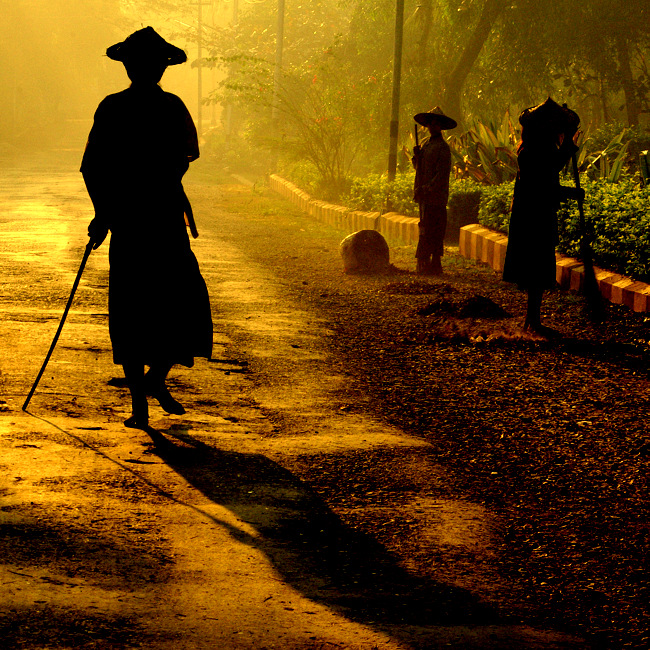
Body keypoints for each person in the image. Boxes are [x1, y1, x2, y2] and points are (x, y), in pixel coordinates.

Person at [81, 27, 213, 429]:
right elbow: (181, 161)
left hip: (134, 220)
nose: (151, 70)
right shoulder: (168, 106)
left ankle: (150, 386)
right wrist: (106, 212)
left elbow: (93, 169)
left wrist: (103, 212)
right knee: (167, 304)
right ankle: (144, 399)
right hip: (152, 219)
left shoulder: (114, 107)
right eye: (148, 64)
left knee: (145, 307)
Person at [502, 97, 582, 337]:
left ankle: (532, 318)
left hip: (537, 213)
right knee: (536, 267)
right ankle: (532, 318)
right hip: (532, 215)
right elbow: (544, 180)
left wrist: (567, 144)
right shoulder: (530, 152)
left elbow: (550, 173)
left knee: (538, 267)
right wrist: (568, 148)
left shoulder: (540, 149)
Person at [412, 107, 457, 275]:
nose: (433, 126)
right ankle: (425, 263)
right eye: (431, 123)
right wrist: (417, 157)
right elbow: (419, 169)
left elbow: (442, 174)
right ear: (428, 126)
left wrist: (427, 188)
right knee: (425, 228)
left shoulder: (443, 148)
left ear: (441, 127)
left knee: (435, 229)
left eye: (436, 123)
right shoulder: (426, 145)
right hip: (424, 196)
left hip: (436, 197)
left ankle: (435, 262)